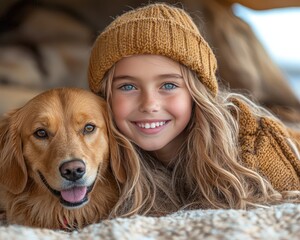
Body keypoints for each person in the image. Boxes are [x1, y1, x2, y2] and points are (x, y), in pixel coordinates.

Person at [87, 3, 300, 217]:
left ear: (195, 93)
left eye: (169, 85)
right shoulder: (96, 157)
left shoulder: (255, 142)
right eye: (128, 87)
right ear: (105, 97)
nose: (149, 104)